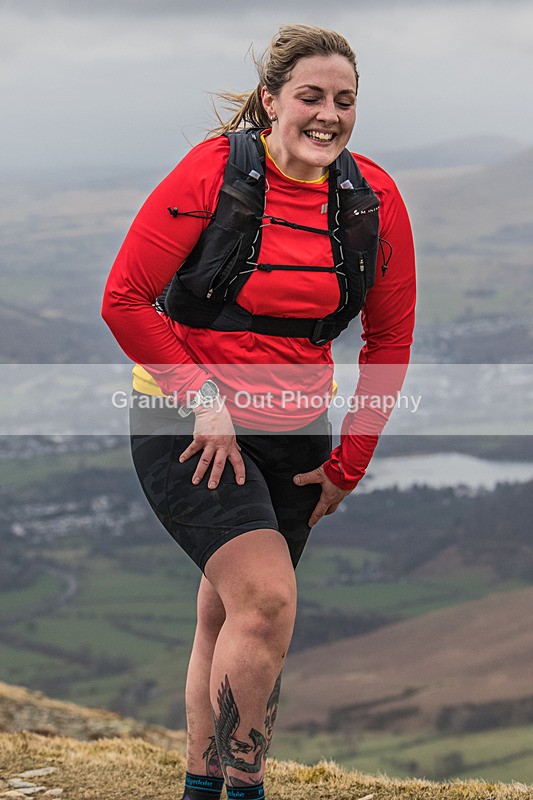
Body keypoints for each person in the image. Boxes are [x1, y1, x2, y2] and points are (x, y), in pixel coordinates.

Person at [102, 23, 415, 800]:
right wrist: (201, 397)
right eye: (310, 96)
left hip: (294, 433)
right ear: (270, 100)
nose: (328, 114)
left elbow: (388, 340)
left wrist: (350, 462)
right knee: (267, 604)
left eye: (344, 101)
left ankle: (201, 789)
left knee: (231, 619)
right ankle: (246, 791)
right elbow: (123, 300)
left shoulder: (371, 199)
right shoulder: (213, 172)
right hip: (187, 426)